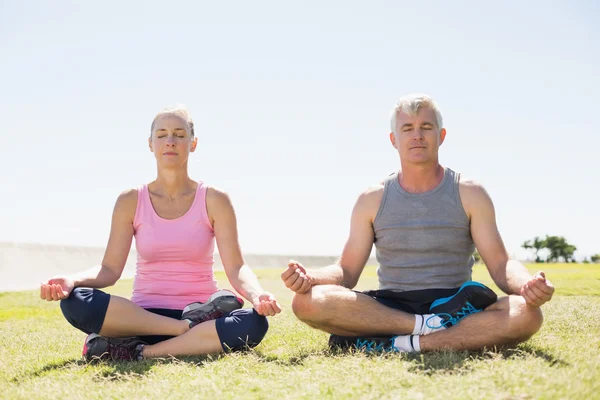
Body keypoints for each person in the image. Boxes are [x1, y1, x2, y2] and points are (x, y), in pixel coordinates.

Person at [281, 94, 554, 353]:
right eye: (407, 128)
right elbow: (347, 271)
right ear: (393, 139)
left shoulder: (470, 193)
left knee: (526, 314)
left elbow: (500, 264)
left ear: (441, 135)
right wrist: (311, 278)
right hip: (391, 307)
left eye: (426, 127)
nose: (417, 135)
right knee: (306, 302)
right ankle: (423, 327)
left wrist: (526, 285)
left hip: (458, 305)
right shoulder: (372, 198)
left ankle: (402, 344)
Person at [40, 105, 281, 361]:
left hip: (203, 316)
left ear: (193, 143)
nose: (170, 141)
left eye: (179, 134)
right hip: (145, 318)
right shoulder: (131, 200)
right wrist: (72, 280)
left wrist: (257, 295)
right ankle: (183, 329)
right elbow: (109, 269)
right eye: (162, 134)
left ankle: (141, 351)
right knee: (75, 301)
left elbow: (236, 268)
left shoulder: (214, 199)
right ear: (150, 143)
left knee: (254, 323)